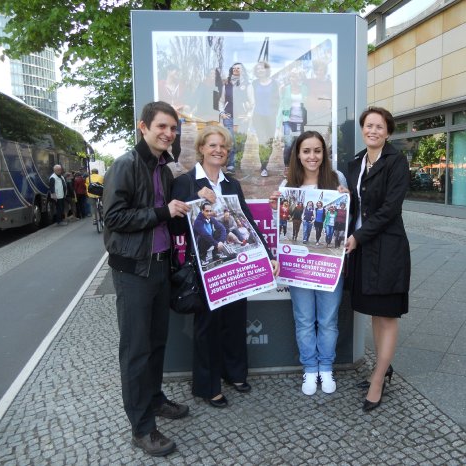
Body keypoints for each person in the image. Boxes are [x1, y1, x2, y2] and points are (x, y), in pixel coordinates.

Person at [102, 101, 191, 457]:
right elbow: (114, 218)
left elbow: (169, 213)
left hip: (159, 268)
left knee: (156, 344)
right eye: (162, 127)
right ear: (143, 127)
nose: (168, 133)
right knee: (136, 351)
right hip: (134, 271)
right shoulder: (125, 165)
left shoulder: (164, 167)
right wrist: (162, 211)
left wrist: (189, 204)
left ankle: (154, 399)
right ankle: (142, 428)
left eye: (172, 128)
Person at [171, 125, 279, 408]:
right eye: (213, 145)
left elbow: (247, 224)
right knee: (207, 326)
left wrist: (267, 255)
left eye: (224, 147)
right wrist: (196, 201)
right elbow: (174, 224)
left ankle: (234, 373)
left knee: (234, 320)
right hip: (205, 266)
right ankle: (207, 386)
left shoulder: (231, 184)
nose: (218, 150)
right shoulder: (186, 182)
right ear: (202, 149)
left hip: (234, 265)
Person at [268, 130, 349, 395]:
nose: (312, 156)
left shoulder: (337, 179)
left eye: (317, 150)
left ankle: (326, 367)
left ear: (324, 153)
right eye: (306, 151)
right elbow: (282, 227)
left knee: (327, 320)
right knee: (304, 320)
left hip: (328, 266)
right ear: (298, 155)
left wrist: (346, 199)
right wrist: (275, 209)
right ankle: (309, 369)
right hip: (299, 267)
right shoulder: (287, 186)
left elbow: (348, 220)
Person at [344, 107, 411, 412]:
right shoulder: (356, 162)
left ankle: (377, 378)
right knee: (373, 311)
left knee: (387, 314)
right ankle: (383, 369)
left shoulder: (396, 161)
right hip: (363, 248)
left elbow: (389, 209)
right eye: (368, 126)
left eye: (379, 127)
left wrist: (357, 237)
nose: (373, 131)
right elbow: (351, 204)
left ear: (388, 131)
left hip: (387, 247)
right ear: (363, 129)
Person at [219, 63, 254, 174]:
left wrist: (248, 116)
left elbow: (253, 103)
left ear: (242, 70)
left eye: (238, 68)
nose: (235, 70)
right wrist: (222, 113)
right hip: (228, 116)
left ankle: (237, 161)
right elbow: (221, 101)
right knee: (231, 141)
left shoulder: (248, 85)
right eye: (234, 68)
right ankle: (231, 165)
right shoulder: (227, 85)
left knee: (240, 141)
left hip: (242, 118)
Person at [251, 61, 280, 177]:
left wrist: (277, 114)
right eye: (257, 69)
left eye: (262, 68)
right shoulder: (254, 83)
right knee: (262, 141)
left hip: (271, 117)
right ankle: (264, 167)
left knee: (269, 142)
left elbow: (278, 100)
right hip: (258, 116)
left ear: (266, 70)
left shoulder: (274, 84)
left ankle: (265, 163)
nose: (260, 70)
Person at [278, 68, 308, 176]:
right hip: (288, 121)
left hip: (300, 121)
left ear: (299, 77)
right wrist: (278, 123)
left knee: (298, 144)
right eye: (292, 76)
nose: (294, 78)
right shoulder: (285, 89)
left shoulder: (304, 88)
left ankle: (297, 167)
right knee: (289, 144)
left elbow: (308, 102)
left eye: (296, 76)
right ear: (289, 78)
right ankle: (287, 167)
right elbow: (281, 105)